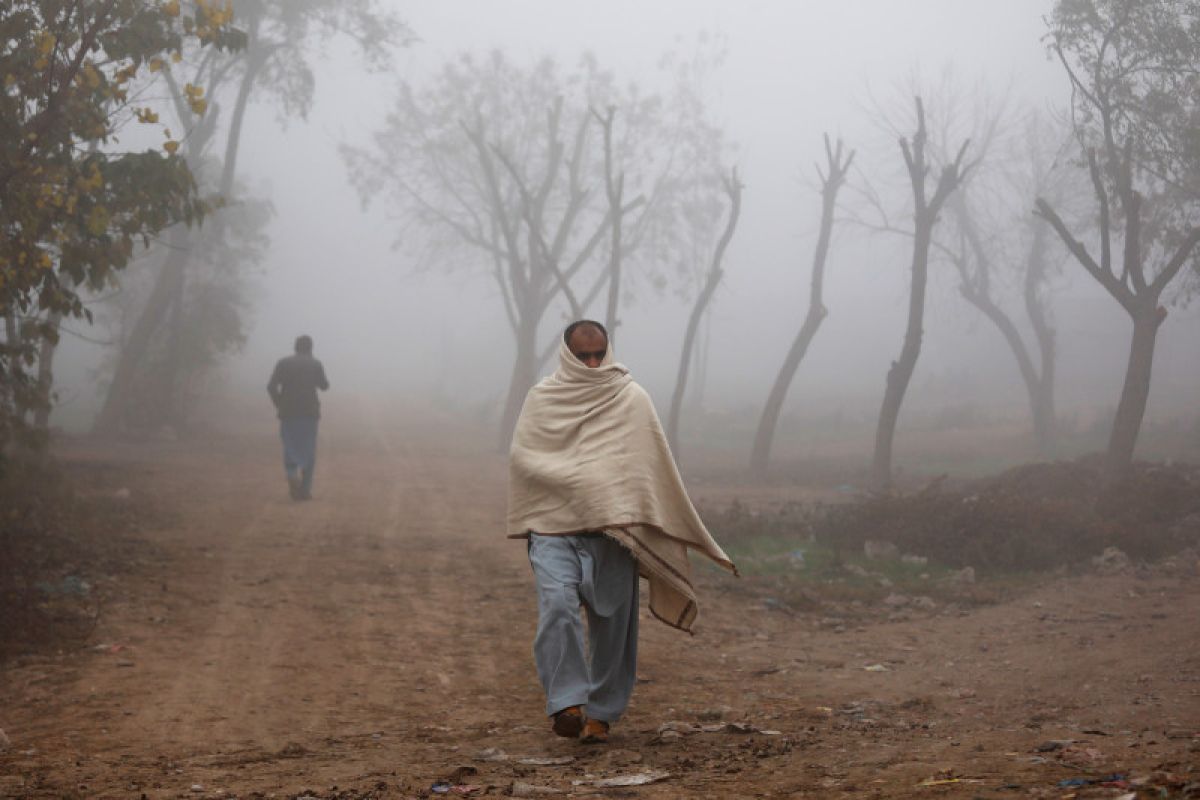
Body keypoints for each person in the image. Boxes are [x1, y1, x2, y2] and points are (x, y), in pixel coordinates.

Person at [507, 320, 737, 744]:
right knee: (557, 607)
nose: (593, 364)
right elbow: (525, 458)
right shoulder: (544, 399)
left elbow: (647, 464)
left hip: (613, 530)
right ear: (565, 354)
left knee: (613, 626)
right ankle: (566, 703)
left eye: (599, 354)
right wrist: (579, 481)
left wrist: (609, 493)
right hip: (553, 528)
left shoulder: (631, 397)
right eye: (583, 356)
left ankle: (601, 714)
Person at [267, 335, 329, 500]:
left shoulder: (283, 363)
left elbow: (271, 386)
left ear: (295, 347)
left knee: (290, 444)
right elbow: (324, 386)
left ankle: (291, 473)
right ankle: (305, 489)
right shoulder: (315, 364)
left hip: (288, 413)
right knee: (308, 448)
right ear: (310, 348)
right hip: (309, 413)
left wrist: (279, 403)